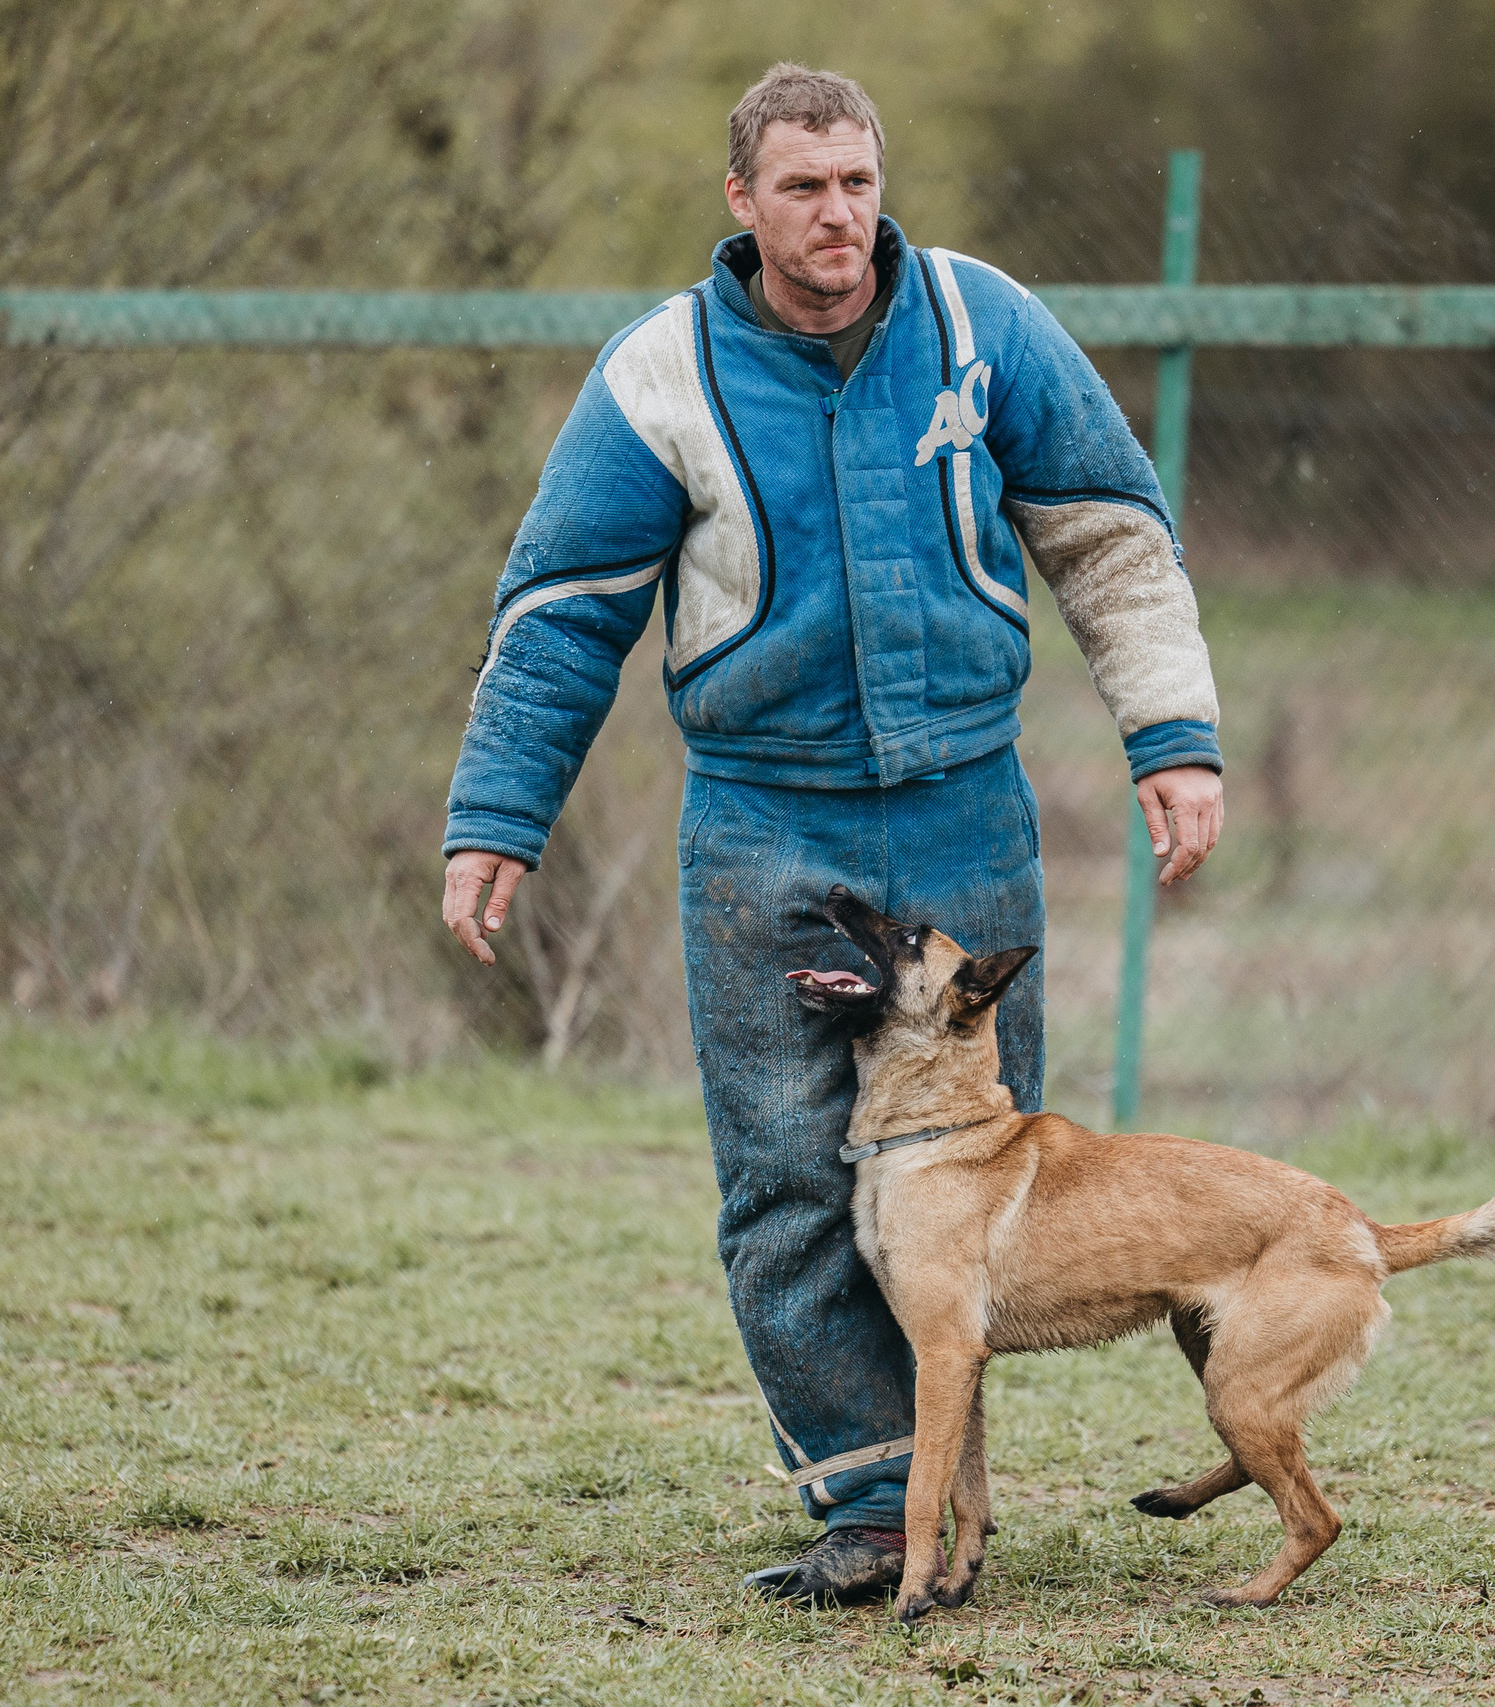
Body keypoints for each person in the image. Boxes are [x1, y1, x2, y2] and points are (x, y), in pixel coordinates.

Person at [440, 62, 1225, 1604]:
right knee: (792, 1181)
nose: (840, 215)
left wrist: (1174, 739)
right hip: (762, 822)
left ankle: (956, 1506)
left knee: (977, 1174)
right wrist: (496, 821)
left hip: (964, 807)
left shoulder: (980, 321)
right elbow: (558, 619)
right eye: (804, 186)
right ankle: (872, 1511)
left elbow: (1115, 539)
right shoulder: (659, 374)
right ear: (741, 200)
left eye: (858, 181)